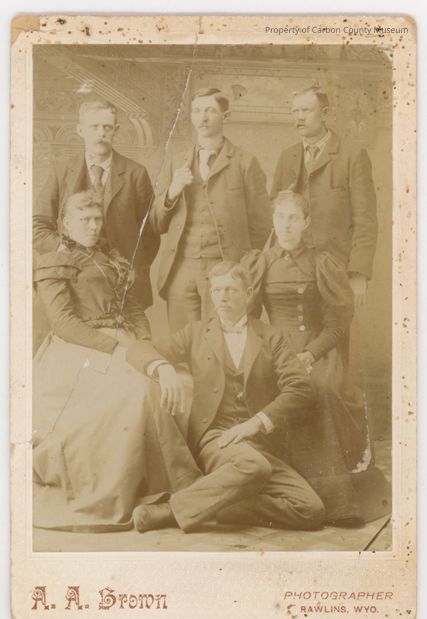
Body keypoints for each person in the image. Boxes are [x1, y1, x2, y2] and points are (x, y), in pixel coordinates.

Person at [33, 191, 202, 532]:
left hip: (125, 341)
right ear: (66, 223)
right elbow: (64, 324)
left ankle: (168, 485)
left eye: (97, 219)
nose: (93, 226)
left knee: (181, 381)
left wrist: (143, 344)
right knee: (138, 391)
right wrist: (116, 348)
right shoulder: (54, 261)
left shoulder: (111, 258)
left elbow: (135, 309)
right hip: (80, 349)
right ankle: (156, 488)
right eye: (84, 220)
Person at [128, 261, 325, 533]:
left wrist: (255, 423)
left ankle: (214, 506)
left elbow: (301, 387)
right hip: (216, 437)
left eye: (231, 289)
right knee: (253, 465)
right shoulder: (196, 333)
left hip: (258, 442)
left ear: (249, 294)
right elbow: (138, 349)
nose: (222, 297)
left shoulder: (271, 337)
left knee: (310, 509)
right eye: (217, 290)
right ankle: (168, 512)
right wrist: (163, 368)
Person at [242, 190, 391, 526]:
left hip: (317, 349)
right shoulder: (261, 262)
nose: (286, 225)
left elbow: (337, 323)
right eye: (281, 217)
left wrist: (311, 353)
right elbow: (250, 319)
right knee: (262, 389)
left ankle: (335, 499)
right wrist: (270, 352)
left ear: (306, 223)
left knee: (321, 390)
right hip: (276, 350)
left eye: (293, 218)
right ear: (273, 221)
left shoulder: (321, 262)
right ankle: (275, 491)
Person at [150, 87, 272, 332]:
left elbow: (262, 223)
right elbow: (155, 223)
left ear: (225, 116)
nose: (202, 118)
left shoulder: (245, 162)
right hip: (182, 268)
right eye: (196, 111)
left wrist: (241, 264)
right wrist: (172, 192)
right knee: (183, 341)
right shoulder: (176, 162)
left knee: (222, 341)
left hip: (226, 268)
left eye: (210, 111)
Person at [33, 99, 159, 310]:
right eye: (94, 127)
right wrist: (62, 249)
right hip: (72, 280)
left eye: (107, 127)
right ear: (80, 130)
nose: (101, 133)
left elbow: (150, 232)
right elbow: (37, 224)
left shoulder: (135, 173)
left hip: (124, 283)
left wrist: (135, 266)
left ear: (116, 130)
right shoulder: (61, 171)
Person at [270, 85, 378, 307]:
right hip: (293, 267)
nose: (299, 117)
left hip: (336, 267)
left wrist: (358, 272)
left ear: (325, 113)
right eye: (295, 111)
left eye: (306, 110)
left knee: (334, 327)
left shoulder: (352, 156)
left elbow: (365, 219)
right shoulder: (287, 157)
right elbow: (273, 210)